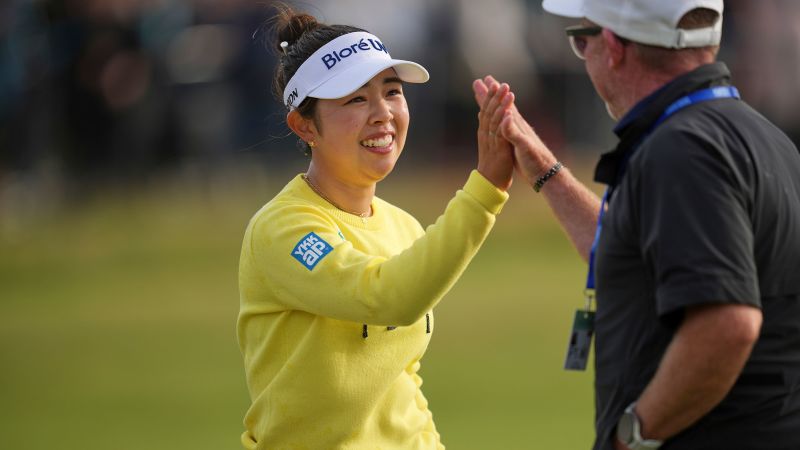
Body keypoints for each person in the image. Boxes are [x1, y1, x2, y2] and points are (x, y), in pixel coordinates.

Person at [475, 0, 800, 449]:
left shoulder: (682, 150)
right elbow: (633, 256)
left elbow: (728, 322)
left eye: (582, 39)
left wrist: (634, 435)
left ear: (612, 47)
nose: (583, 53)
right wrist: (544, 170)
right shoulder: (759, 135)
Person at [236, 6, 515, 449]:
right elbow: (387, 297)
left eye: (392, 92)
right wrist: (486, 190)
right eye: (355, 98)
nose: (383, 113)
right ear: (304, 124)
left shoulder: (403, 226)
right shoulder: (281, 229)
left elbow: (403, 386)